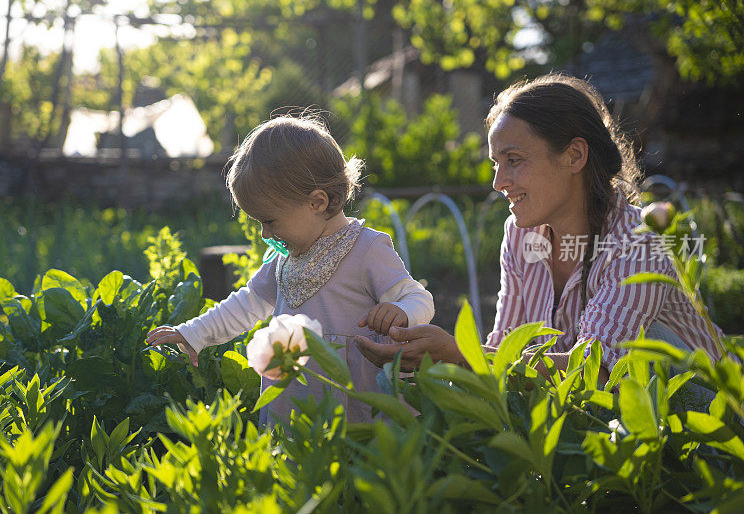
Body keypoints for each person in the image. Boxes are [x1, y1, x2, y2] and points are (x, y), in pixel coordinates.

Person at [355, 74, 722, 384]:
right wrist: (447, 362)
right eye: (496, 164)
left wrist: (459, 354)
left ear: (575, 156)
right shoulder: (520, 236)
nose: (499, 182)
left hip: (717, 423)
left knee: (650, 346)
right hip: (629, 427)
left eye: (514, 160)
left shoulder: (636, 245)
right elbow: (506, 349)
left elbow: (594, 371)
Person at [146, 115, 434, 423]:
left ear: (317, 202)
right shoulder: (284, 258)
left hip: (354, 396)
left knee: (349, 461)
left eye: (269, 221)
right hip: (294, 390)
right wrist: (193, 333)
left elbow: (419, 299)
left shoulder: (367, 248)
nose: (264, 234)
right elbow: (246, 303)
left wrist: (401, 312)